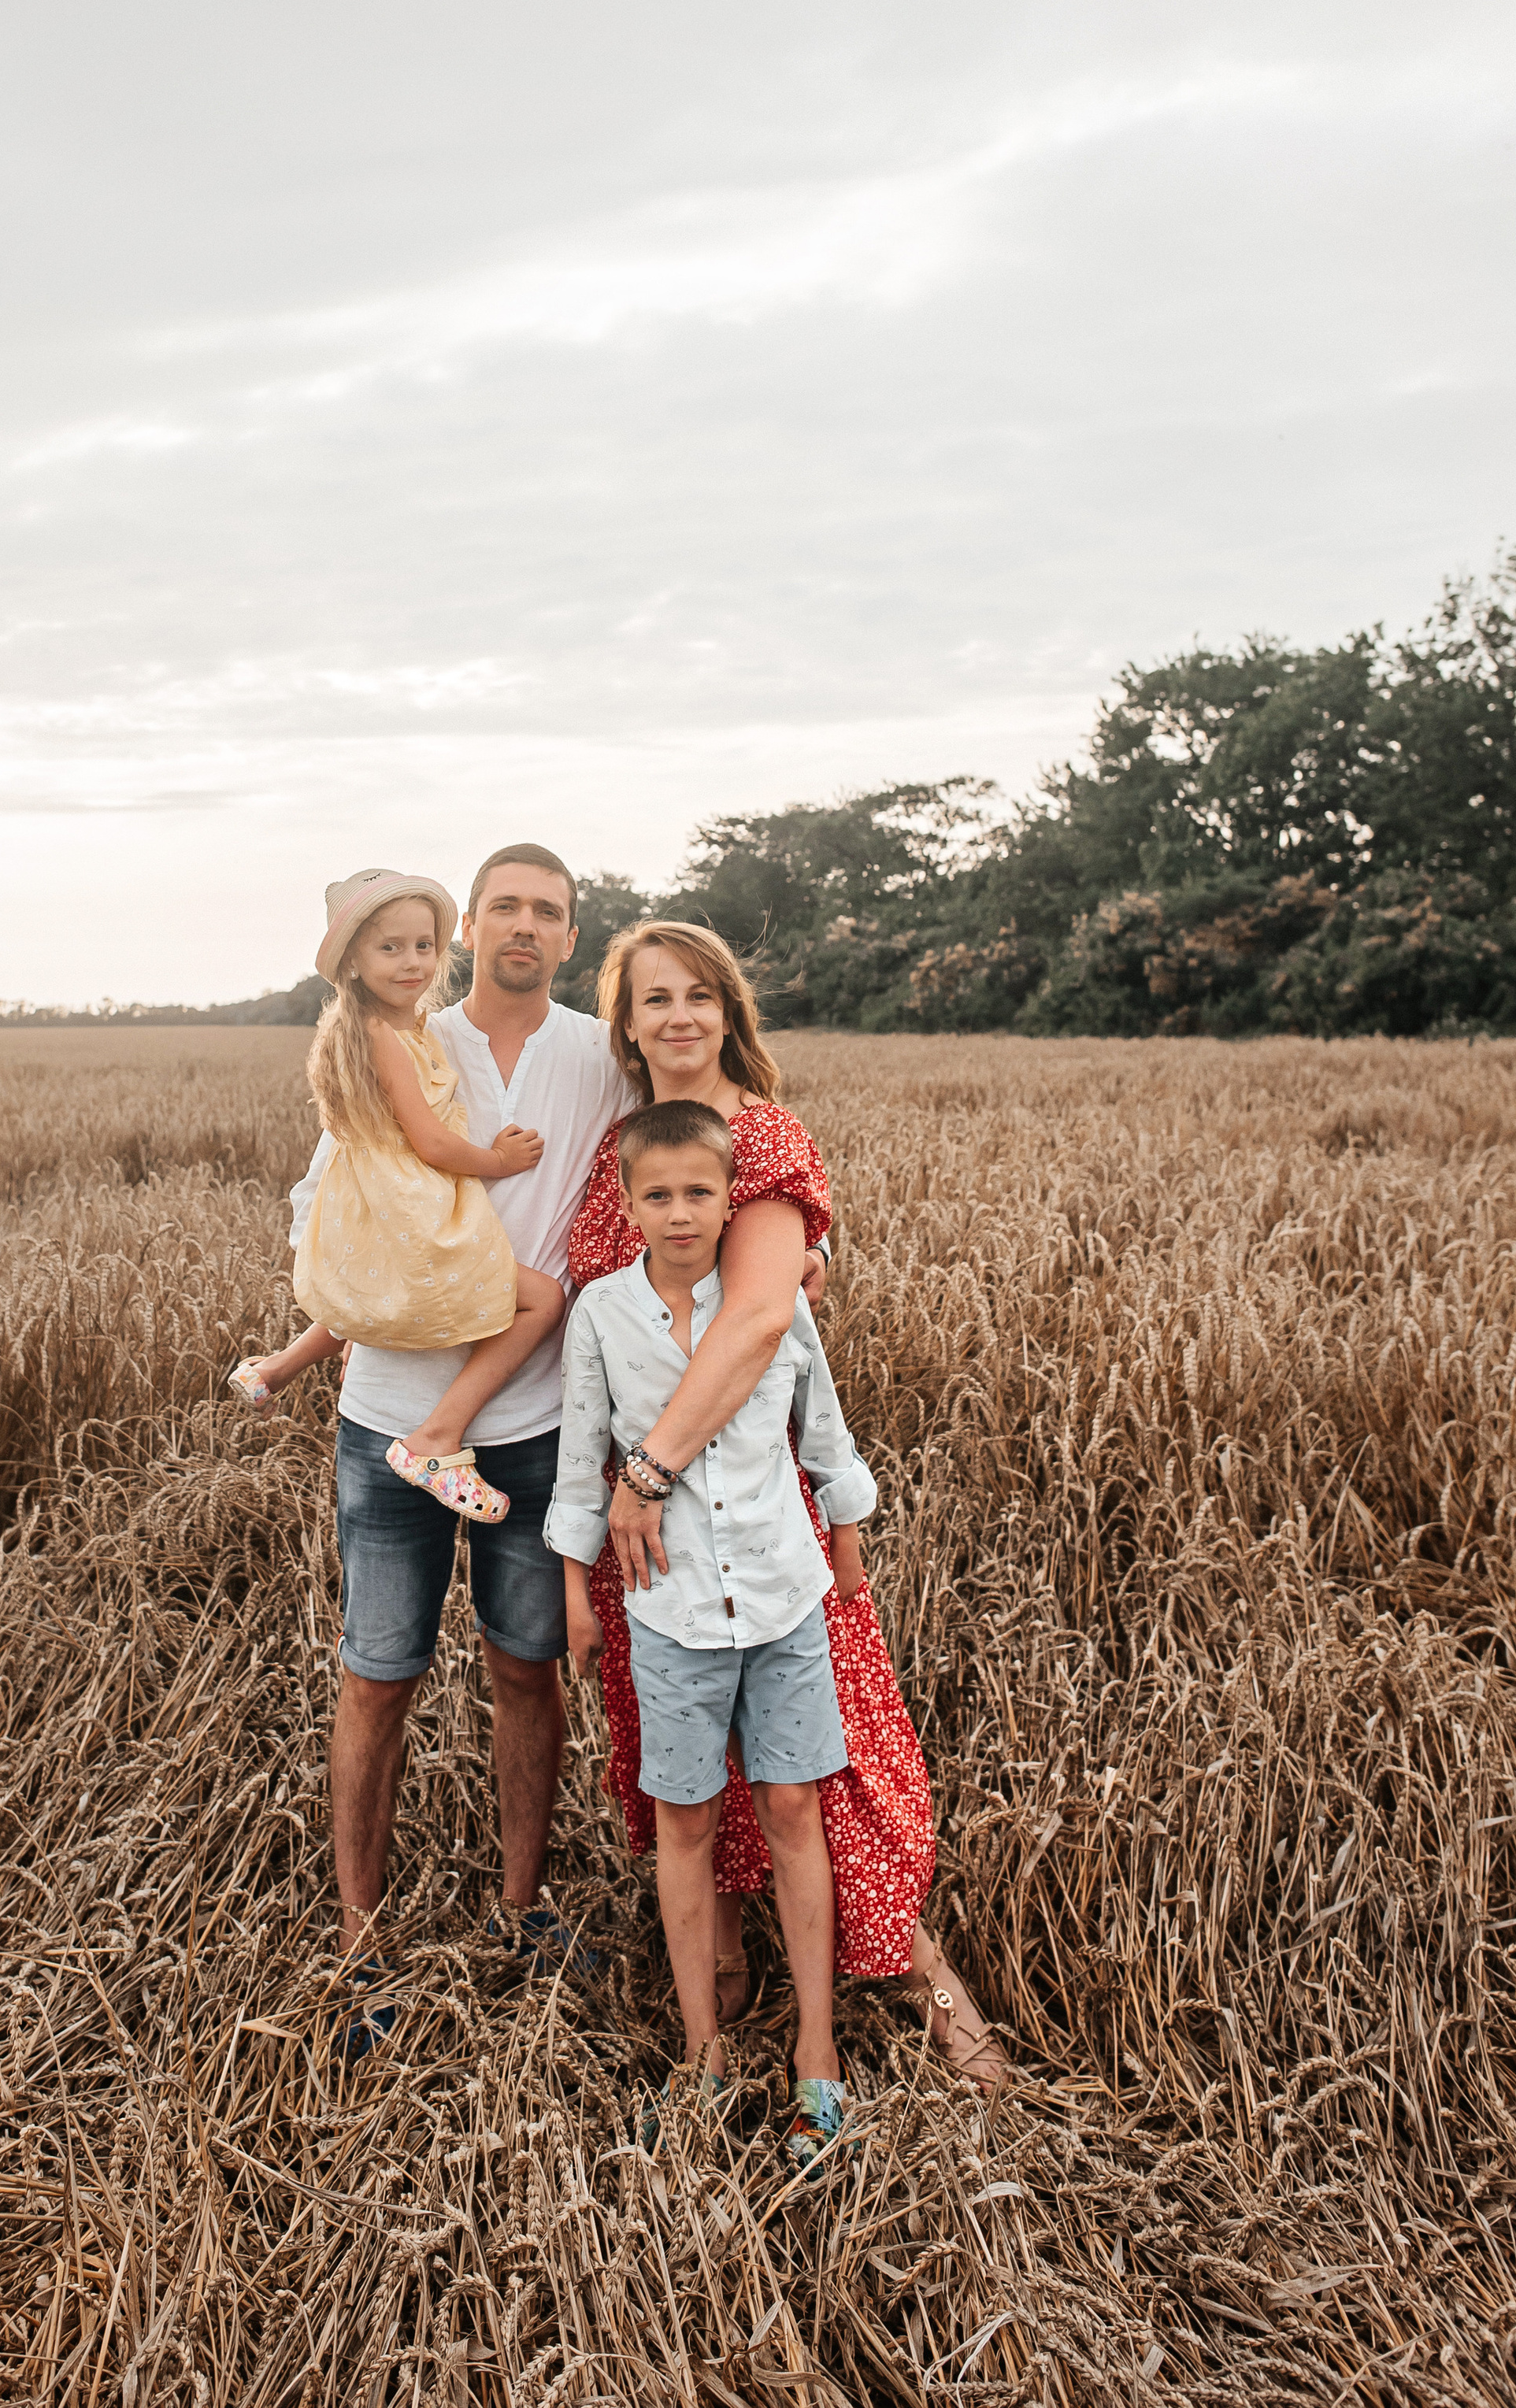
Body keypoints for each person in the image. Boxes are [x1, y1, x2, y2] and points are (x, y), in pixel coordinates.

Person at [568, 917, 1007, 2091]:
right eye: (653, 997)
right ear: (625, 1023)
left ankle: (927, 1985)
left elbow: (763, 1322)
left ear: (730, 1012)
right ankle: (728, 1985)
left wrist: (646, 1473)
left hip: (744, 1515)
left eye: (700, 994)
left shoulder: (756, 1137)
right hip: (645, 1542)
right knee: (688, 1771)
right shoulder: (625, 1155)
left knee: (824, 1765)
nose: (677, 1016)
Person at [278, 847, 638, 2014]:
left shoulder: (600, 1053)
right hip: (386, 1415)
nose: (526, 926)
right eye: (506, 908)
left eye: (551, 911)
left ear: (572, 936)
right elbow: (322, 1194)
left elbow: (703, 1148)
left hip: (534, 1426)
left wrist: (806, 1244)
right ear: (470, 926)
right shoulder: (414, 1039)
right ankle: (360, 1938)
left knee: (525, 1669)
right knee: (380, 1674)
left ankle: (522, 1908)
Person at [549, 1097, 874, 2167]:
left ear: (732, 1196)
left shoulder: (767, 1301)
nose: (681, 1212)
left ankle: (816, 2062)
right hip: (671, 1607)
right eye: (659, 1194)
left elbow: (822, 1430)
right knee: (683, 1820)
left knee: (793, 1804)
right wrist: (573, 1589)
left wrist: (850, 1562)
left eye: (702, 1191)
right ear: (628, 1204)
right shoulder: (600, 1312)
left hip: (784, 1594)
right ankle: (703, 2059)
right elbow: (581, 1453)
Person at [230, 869, 567, 1524]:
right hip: (413, 1202)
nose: (411, 961)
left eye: (422, 946)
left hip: (376, 1205)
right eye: (390, 948)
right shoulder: (384, 1038)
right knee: (543, 1298)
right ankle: (435, 1439)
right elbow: (433, 1143)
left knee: (377, 1292)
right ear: (353, 959)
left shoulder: (382, 1029)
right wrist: (499, 1160)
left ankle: (272, 1370)